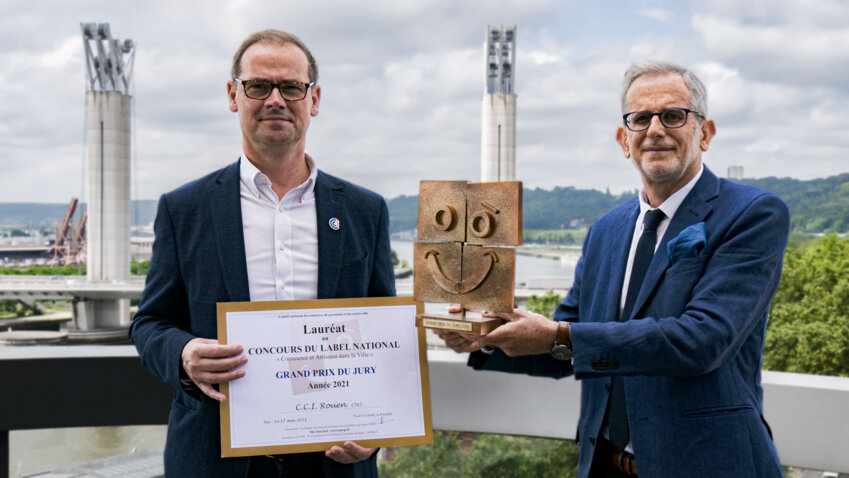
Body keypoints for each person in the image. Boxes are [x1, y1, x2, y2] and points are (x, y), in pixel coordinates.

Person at [437, 61, 787, 477]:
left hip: (708, 464)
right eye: (640, 119)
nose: (655, 129)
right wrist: (490, 337)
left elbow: (701, 342)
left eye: (673, 116)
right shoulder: (606, 231)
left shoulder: (752, 215)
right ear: (625, 140)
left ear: (704, 133)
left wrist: (556, 335)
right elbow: (569, 348)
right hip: (603, 464)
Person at [130, 29, 394, 478]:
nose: (276, 99)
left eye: (291, 87)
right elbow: (149, 323)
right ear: (234, 95)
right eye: (258, 86)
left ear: (314, 99)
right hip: (214, 460)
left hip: (333, 462)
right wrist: (183, 353)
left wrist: (378, 431)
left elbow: (388, 334)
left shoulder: (365, 211)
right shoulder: (184, 209)